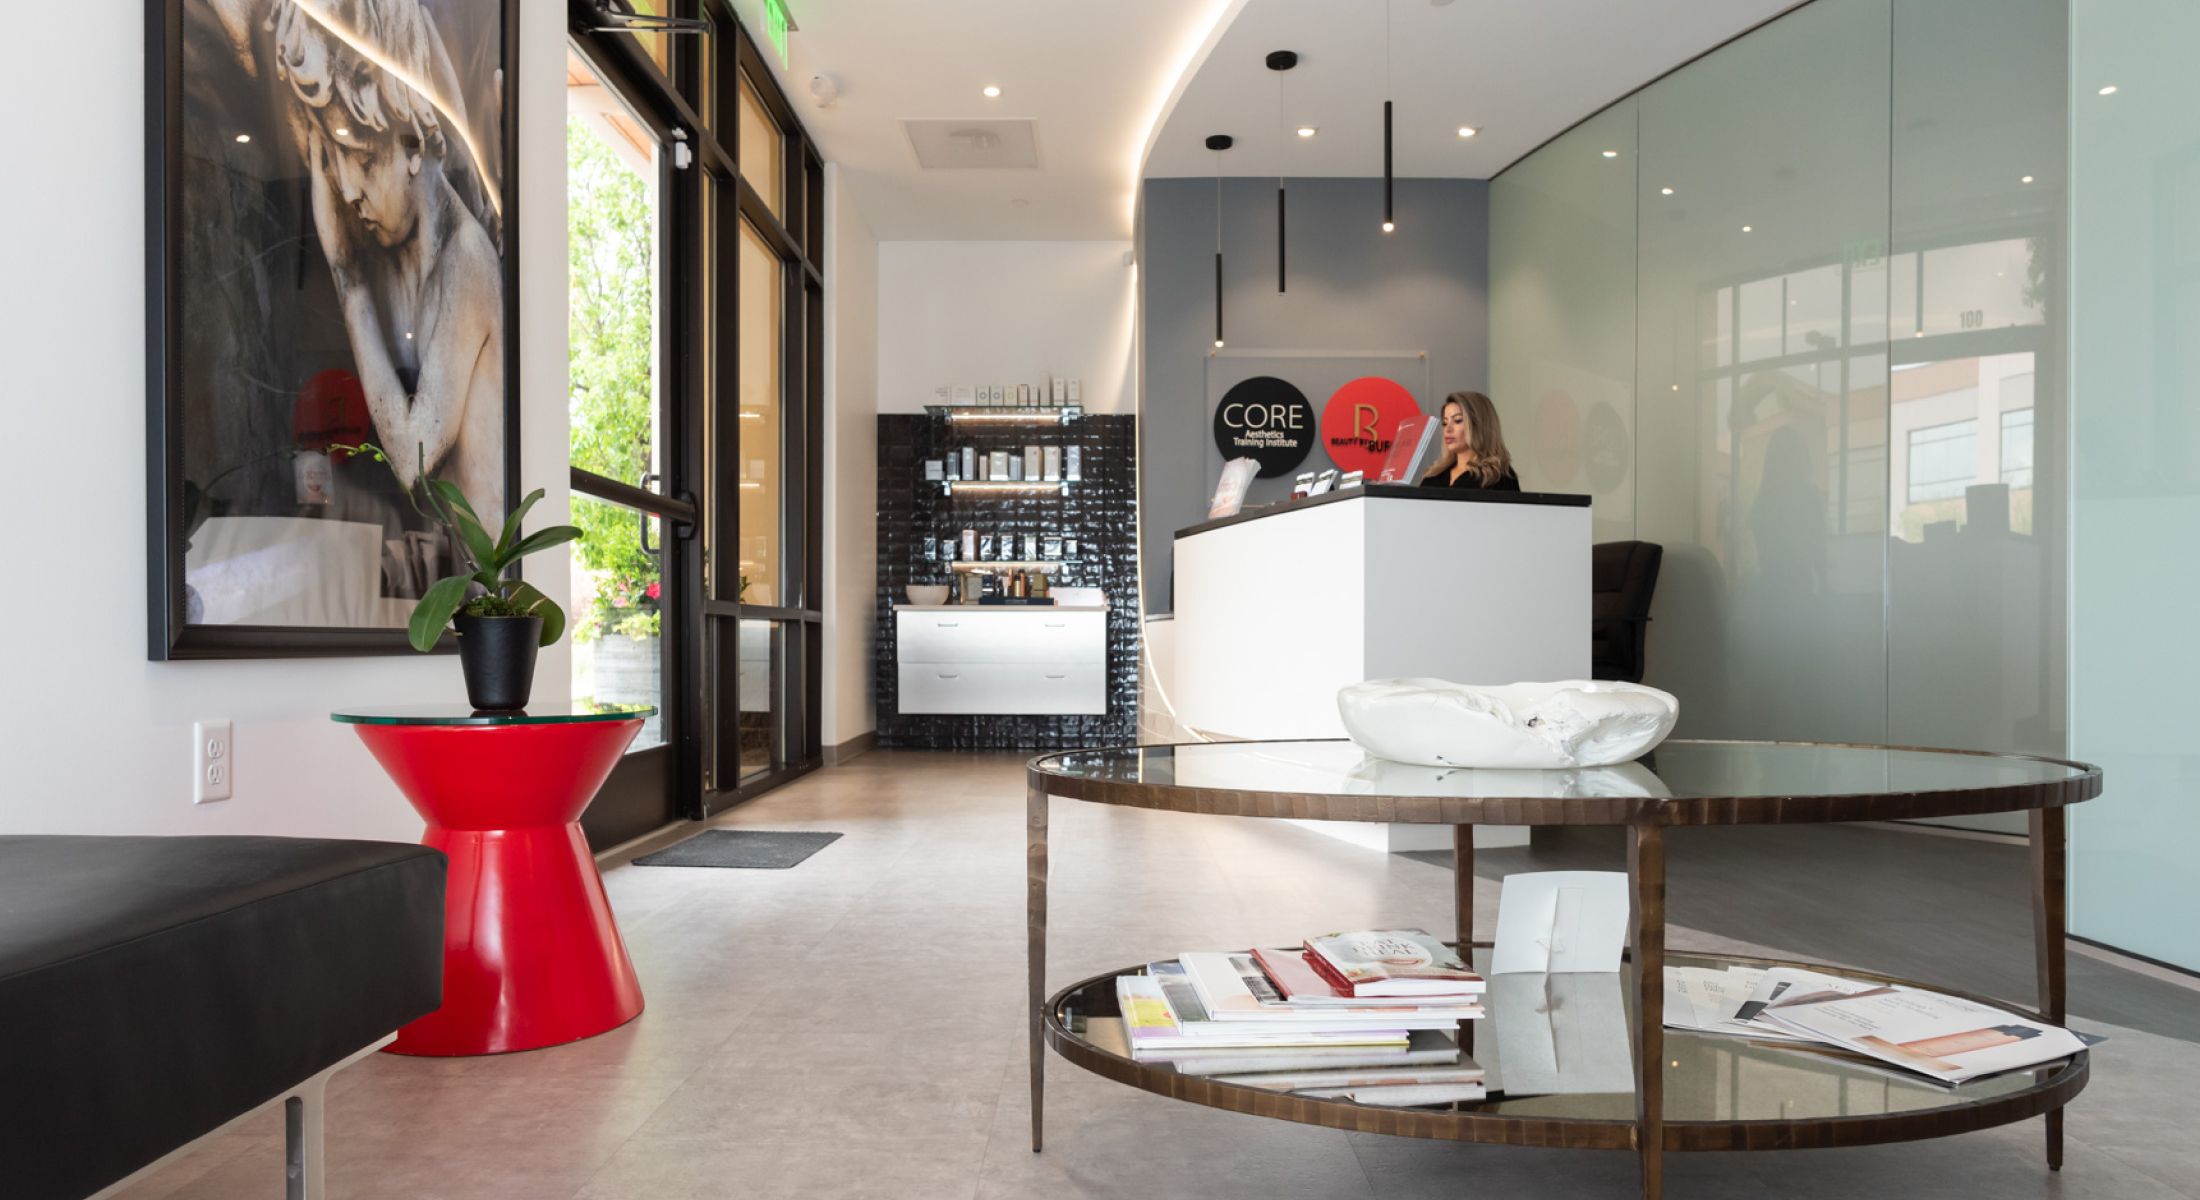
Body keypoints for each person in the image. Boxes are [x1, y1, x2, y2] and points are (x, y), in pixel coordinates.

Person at [1421, 391, 1521, 491]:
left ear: (1479, 425)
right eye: (1445, 423)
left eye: (1458, 420)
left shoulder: (1497, 477)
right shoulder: (1433, 477)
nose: (1448, 429)